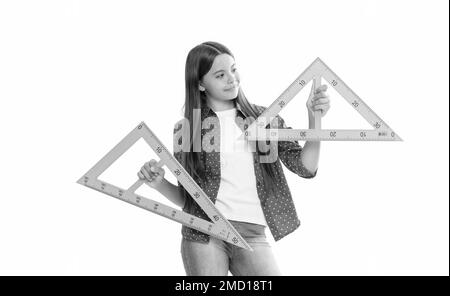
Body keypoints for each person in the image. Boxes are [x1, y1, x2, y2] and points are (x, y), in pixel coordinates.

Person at [137, 41, 330, 276]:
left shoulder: (264, 117)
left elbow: (306, 168)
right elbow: (189, 199)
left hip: (252, 235)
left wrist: (315, 119)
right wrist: (159, 184)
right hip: (203, 233)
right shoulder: (187, 129)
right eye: (220, 75)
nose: (232, 79)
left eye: (234, 69)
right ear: (200, 84)